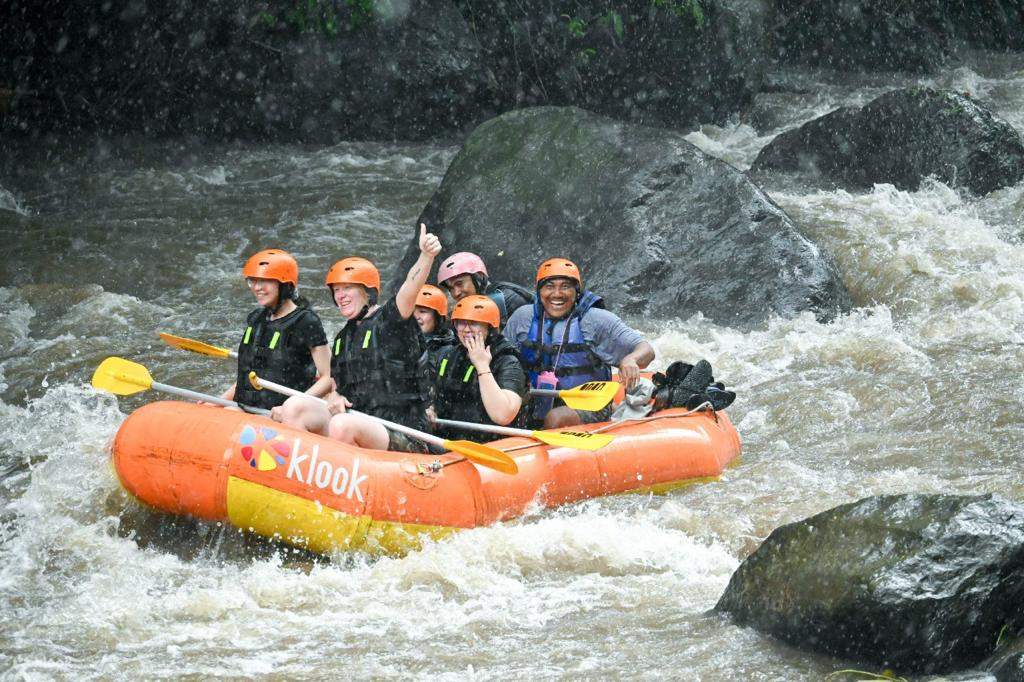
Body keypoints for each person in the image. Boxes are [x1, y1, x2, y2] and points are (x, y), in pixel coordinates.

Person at [275, 225, 442, 450]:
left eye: (347, 288)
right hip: (358, 421)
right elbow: (337, 388)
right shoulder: (344, 338)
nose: (340, 296)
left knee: (342, 426)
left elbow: (410, 287)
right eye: (336, 290)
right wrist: (334, 398)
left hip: (403, 430)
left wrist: (426, 256)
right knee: (294, 407)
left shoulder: (392, 319)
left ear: (368, 291)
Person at [503, 257, 655, 429]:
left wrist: (631, 360)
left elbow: (646, 350)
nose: (557, 294)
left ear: (577, 292)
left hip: (589, 404)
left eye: (565, 287)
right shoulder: (522, 317)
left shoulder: (596, 320)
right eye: (549, 286)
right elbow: (501, 357)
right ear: (539, 291)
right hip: (534, 401)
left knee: (555, 419)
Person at [220, 249, 332, 416]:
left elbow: (329, 377)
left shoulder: (306, 322)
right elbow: (249, 376)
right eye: (254, 281)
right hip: (246, 409)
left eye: (265, 281)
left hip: (283, 415)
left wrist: (292, 407)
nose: (258, 287)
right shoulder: (256, 319)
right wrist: (216, 401)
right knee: (227, 412)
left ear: (285, 285)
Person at [431, 295, 526, 443]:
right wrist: (430, 409)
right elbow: (429, 394)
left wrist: (482, 366)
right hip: (449, 440)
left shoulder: (508, 361)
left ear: (490, 327)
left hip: (489, 444)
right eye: (461, 323)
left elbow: (503, 415)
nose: (466, 329)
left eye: (474, 323)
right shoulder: (449, 355)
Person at [436, 251, 533, 327]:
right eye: (451, 288)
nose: (455, 293)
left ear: (479, 277)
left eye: (459, 283)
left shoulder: (504, 300)